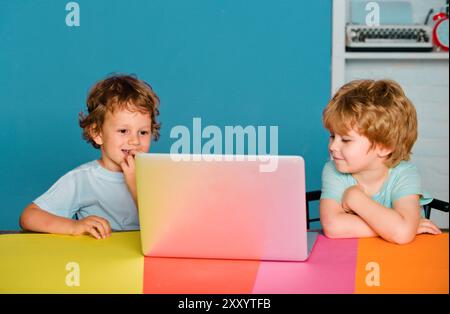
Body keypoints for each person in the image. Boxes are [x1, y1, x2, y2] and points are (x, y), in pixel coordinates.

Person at [20, 74, 161, 239]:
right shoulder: (82, 179)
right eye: (123, 131)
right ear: (98, 133)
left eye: (143, 132)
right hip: (100, 260)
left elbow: (165, 229)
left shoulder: (159, 176)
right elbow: (29, 217)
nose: (135, 141)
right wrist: (74, 226)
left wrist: (136, 185)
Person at [319, 79, 441, 244]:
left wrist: (354, 198)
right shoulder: (333, 169)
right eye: (333, 136)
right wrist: (393, 229)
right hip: (351, 256)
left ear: (384, 147)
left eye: (346, 140)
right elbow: (333, 227)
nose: (333, 146)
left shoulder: (404, 174)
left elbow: (403, 233)